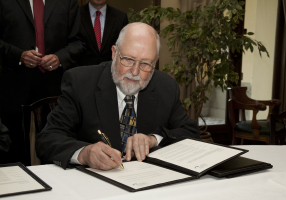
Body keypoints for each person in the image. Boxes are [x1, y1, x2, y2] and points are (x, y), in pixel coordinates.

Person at [36, 22, 200, 170]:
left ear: (155, 63)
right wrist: (84, 153)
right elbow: (47, 139)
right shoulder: (80, 83)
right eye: (128, 60)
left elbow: (190, 133)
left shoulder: (166, 87)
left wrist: (153, 140)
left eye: (145, 64)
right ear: (114, 53)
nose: (135, 72)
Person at [0, 0, 85, 164]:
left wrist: (60, 58)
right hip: (13, 92)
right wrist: (18, 55)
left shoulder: (67, 2)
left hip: (55, 92)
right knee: (14, 157)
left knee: (55, 152)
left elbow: (78, 42)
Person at [78, 0, 128, 66]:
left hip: (110, 71)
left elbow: (123, 48)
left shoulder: (121, 17)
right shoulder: (75, 15)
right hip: (80, 71)